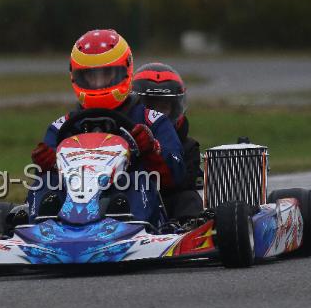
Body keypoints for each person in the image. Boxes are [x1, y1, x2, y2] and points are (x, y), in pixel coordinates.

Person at [27, 29, 185, 227]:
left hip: (132, 205)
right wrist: (50, 165)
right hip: (73, 201)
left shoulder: (151, 120)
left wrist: (152, 149)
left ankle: (129, 223)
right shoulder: (62, 126)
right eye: (90, 77)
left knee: (137, 179)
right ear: (75, 77)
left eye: (106, 75)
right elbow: (48, 168)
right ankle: (40, 227)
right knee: (46, 181)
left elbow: (177, 174)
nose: (99, 83)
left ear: (125, 71)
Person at [131, 63, 203, 221]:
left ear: (176, 108)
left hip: (166, 205)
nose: (156, 115)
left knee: (189, 199)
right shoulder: (123, 140)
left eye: (163, 108)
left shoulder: (188, 147)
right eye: (149, 108)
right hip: (130, 197)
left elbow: (182, 183)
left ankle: (186, 236)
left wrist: (155, 153)